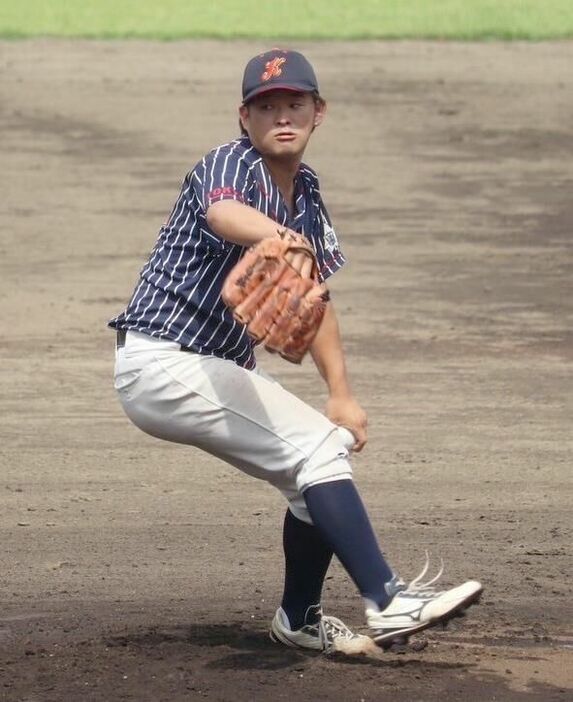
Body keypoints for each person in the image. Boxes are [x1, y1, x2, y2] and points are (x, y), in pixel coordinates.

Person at [109, 48, 482, 653]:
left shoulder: (306, 191)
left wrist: (341, 395)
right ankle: (386, 601)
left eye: (294, 103)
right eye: (266, 106)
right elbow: (224, 211)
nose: (282, 115)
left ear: (318, 112)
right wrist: (277, 235)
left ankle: (299, 618)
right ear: (243, 118)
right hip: (164, 362)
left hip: (205, 366)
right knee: (314, 453)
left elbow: (317, 300)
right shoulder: (228, 164)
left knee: (318, 458)